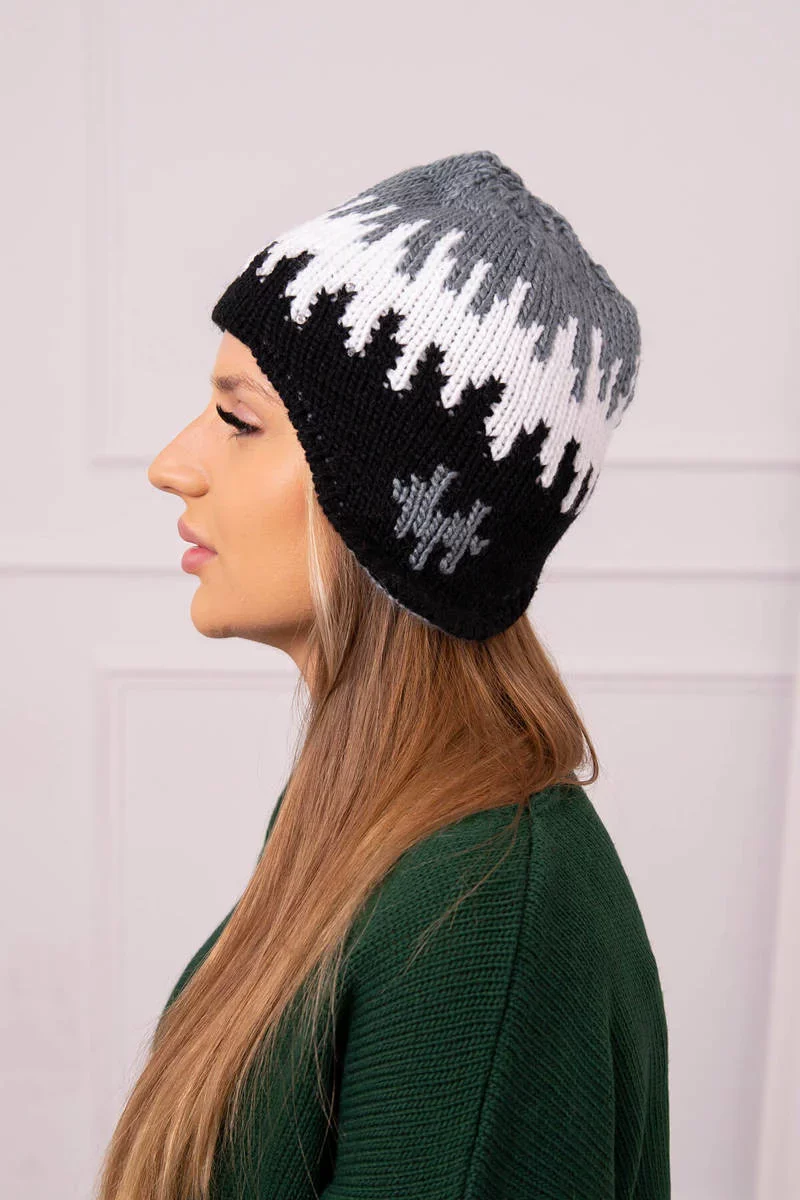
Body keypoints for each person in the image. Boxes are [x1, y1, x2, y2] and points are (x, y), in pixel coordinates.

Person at [95, 149, 669, 1199]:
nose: (173, 464)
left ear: (400, 505)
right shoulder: (372, 817)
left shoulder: (482, 914)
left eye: (238, 420)